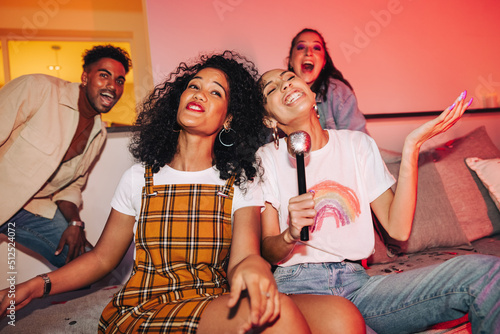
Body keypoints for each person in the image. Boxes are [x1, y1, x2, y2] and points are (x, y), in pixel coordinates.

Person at [0, 52, 365, 334]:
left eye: (215, 92)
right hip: (147, 304)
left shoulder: (239, 181)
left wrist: (254, 271)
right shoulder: (139, 179)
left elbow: (244, 258)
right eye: (194, 86)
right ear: (177, 100)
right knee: (279, 314)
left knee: (341, 315)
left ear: (227, 119)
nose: (200, 94)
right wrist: (37, 285)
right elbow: (101, 260)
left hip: (215, 299)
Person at [257, 69, 500, 334]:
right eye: (271, 89)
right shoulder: (266, 158)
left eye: (289, 77)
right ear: (269, 120)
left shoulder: (357, 145)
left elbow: (398, 229)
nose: (284, 85)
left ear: (312, 93)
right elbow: (268, 249)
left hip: (359, 286)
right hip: (298, 288)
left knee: (487, 273)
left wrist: (412, 147)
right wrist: (290, 234)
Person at [0, 44, 132, 267]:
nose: (112, 85)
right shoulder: (37, 88)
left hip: (29, 209)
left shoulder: (99, 134)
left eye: (119, 80)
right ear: (85, 76)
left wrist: (75, 223)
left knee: (88, 265)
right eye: (104, 75)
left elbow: (72, 185)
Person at [287, 28, 368, 133]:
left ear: (324, 61)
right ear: (291, 61)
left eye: (316, 48)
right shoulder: (278, 96)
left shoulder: (339, 92)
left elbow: (358, 142)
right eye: (301, 47)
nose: (308, 53)